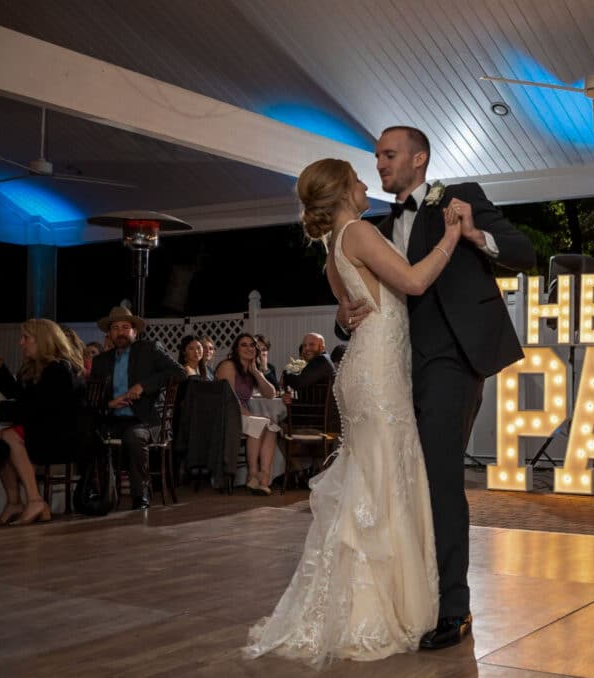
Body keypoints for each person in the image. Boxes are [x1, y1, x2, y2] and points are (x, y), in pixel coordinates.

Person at [246, 152, 472, 665]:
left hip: (366, 367)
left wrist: (345, 322)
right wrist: (451, 236)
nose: (366, 182)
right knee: (387, 479)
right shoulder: (359, 232)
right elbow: (413, 283)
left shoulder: (332, 246)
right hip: (377, 375)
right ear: (344, 190)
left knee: (368, 482)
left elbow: (354, 310)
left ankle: (353, 603)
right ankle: (378, 610)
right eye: (357, 178)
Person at [338, 127, 534, 650]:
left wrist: (474, 236)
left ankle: (455, 609)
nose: (379, 162)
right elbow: (365, 294)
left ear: (419, 158)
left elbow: (523, 251)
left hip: (452, 359)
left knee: (441, 478)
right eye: (377, 155)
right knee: (405, 480)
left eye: (389, 154)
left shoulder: (460, 199)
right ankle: (414, 596)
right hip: (395, 367)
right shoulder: (375, 228)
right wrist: (344, 316)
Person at [0, 319, 84, 525]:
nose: (21, 342)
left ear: (42, 341)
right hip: (47, 430)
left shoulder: (58, 369)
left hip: (63, 437)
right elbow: (24, 397)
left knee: (8, 436)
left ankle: (35, 500)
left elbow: (38, 408)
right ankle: (14, 502)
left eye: (26, 338)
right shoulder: (39, 368)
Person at [89, 306, 185, 510]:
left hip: (146, 419)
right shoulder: (101, 361)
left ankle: (140, 495)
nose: (121, 332)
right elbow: (92, 398)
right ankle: (99, 493)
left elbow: (179, 372)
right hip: (113, 419)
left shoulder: (149, 349)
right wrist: (109, 404)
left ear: (135, 331)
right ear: (109, 333)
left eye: (125, 327)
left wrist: (145, 386)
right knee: (88, 433)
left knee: (134, 436)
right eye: (115, 328)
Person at [215, 333, 278, 495]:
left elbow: (271, 393)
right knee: (259, 423)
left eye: (252, 345)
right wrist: (250, 415)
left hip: (241, 415)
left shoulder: (249, 370)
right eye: (244, 345)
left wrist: (256, 371)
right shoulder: (228, 365)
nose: (249, 348)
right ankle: (252, 474)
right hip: (226, 416)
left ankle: (263, 478)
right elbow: (230, 398)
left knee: (271, 425)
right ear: (236, 349)